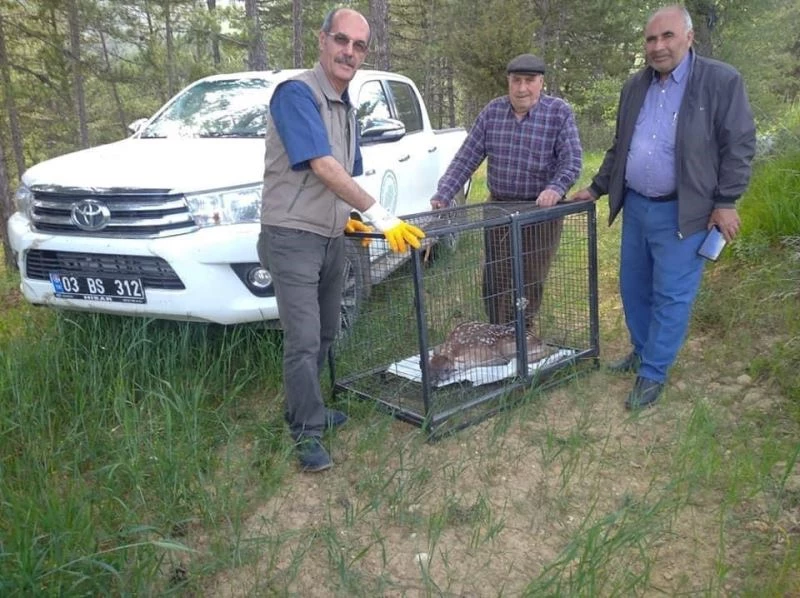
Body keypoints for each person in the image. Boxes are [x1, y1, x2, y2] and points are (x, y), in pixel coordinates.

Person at [257, 7, 425, 472]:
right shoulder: (296, 95)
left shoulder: (347, 105)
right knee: (305, 338)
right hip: (292, 237)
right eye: (341, 40)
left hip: (332, 237)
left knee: (329, 329)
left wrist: (351, 217)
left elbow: (344, 175)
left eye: (359, 45)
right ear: (322, 40)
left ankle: (310, 409)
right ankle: (306, 433)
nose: (349, 52)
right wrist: (380, 215)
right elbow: (322, 165)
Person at [571, 5, 756, 409]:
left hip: (685, 211)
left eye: (667, 36)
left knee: (672, 294)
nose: (658, 47)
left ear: (689, 38)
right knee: (633, 287)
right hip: (637, 207)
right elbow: (621, 147)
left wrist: (726, 201)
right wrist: (598, 187)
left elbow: (739, 145)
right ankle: (641, 349)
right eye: (651, 39)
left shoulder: (721, 81)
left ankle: (653, 372)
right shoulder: (635, 87)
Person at [430, 53, 582, 329]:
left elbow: (572, 161)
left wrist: (555, 188)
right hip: (499, 208)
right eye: (516, 81)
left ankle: (522, 334)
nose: (522, 88)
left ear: (541, 83)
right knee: (497, 276)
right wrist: (444, 193)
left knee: (531, 275)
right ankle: (497, 332)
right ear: (508, 82)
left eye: (529, 81)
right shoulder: (492, 112)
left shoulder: (558, 112)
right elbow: (466, 157)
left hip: (540, 211)